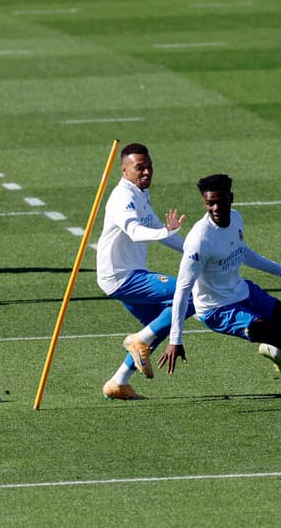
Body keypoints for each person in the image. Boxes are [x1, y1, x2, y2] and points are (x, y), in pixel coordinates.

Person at [158, 173, 281, 407]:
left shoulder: (236, 219)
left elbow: (242, 252)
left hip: (244, 292)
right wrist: (175, 339)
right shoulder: (199, 240)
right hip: (218, 309)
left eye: (219, 201)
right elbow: (183, 290)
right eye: (209, 203)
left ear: (231, 198)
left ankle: (273, 349)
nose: (215, 208)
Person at [96, 143, 195, 400]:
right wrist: (164, 231)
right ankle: (138, 339)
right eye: (140, 168)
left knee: (163, 325)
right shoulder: (123, 198)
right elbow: (135, 232)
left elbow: (160, 232)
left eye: (149, 167)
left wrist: (195, 253)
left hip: (127, 274)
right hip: (121, 276)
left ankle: (118, 382)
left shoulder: (140, 194)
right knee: (191, 295)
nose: (147, 172)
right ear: (125, 170)